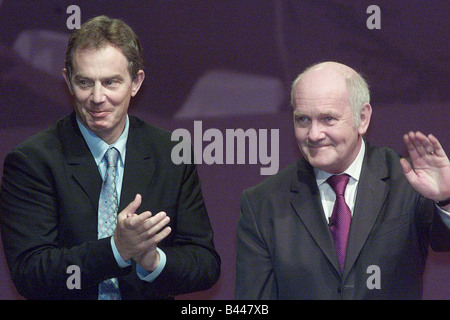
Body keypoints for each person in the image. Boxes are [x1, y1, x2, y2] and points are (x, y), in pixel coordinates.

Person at [0, 15, 220, 300]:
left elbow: (205, 265)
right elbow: (31, 274)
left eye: (111, 82)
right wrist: (117, 250)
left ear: (136, 82)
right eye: (84, 82)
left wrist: (153, 261)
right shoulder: (32, 161)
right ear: (67, 81)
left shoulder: (171, 153)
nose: (97, 97)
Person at [235, 61, 450, 299]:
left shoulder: (407, 181)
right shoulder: (263, 203)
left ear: (362, 118)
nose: (314, 134)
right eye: (303, 119)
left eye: (328, 119)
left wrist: (446, 200)